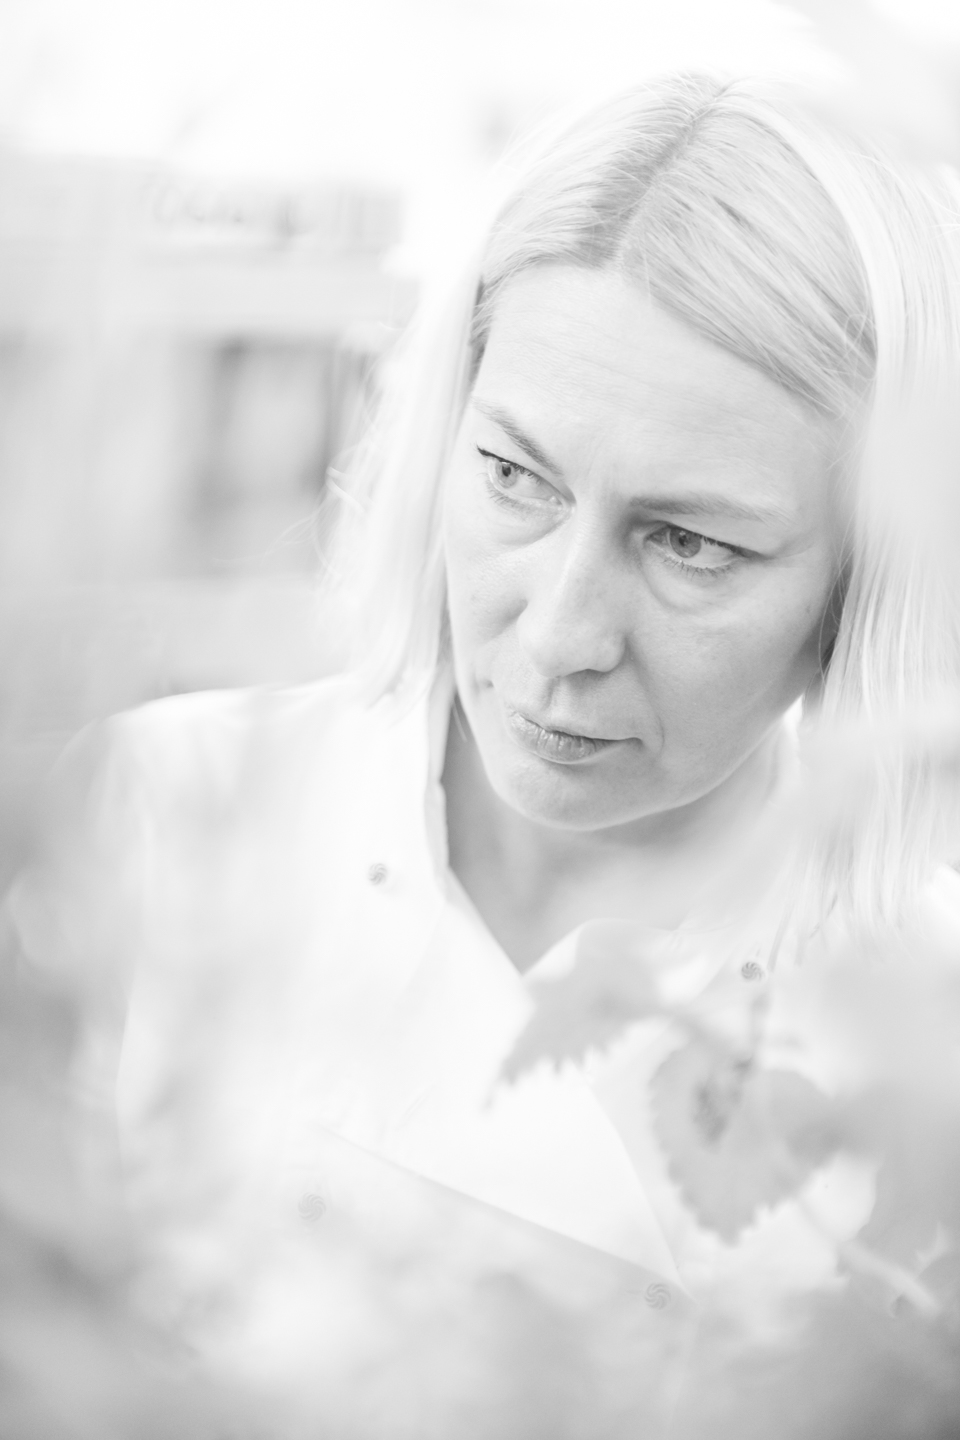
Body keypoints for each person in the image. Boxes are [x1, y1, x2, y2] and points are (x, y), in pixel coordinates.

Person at [10, 72, 960, 1438]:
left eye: (691, 544)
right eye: (518, 477)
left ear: (863, 586)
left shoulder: (923, 1035)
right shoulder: (157, 815)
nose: (561, 635)